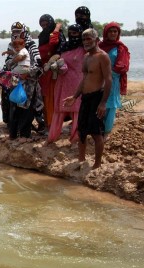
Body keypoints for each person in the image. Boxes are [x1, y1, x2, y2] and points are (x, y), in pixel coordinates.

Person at [63, 29, 112, 169]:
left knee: (97, 133)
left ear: (97, 40)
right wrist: (75, 96)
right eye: (84, 40)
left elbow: (108, 80)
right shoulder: (86, 57)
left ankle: (97, 165)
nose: (86, 42)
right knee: (81, 130)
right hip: (85, 98)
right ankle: (81, 159)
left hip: (97, 97)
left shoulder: (103, 57)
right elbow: (84, 79)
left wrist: (103, 102)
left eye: (89, 39)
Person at [0, 21, 44, 139]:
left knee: (25, 107)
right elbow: (8, 62)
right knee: (13, 105)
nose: (16, 34)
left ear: (24, 32)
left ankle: (24, 135)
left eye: (18, 32)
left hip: (28, 80)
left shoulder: (31, 45)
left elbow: (39, 65)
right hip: (14, 79)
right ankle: (13, 134)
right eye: (14, 32)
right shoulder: (12, 45)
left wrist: (28, 73)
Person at [47, 24, 85, 144]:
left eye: (76, 33)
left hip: (77, 82)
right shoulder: (64, 46)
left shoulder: (84, 48)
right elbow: (57, 57)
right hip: (62, 81)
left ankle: (75, 137)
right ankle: (53, 137)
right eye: (71, 33)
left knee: (77, 110)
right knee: (59, 108)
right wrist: (55, 64)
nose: (73, 35)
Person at [99, 22, 130, 139]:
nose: (112, 33)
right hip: (98, 79)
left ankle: (106, 131)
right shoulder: (99, 46)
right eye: (110, 31)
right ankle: (98, 129)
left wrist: (108, 72)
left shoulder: (121, 47)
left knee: (110, 105)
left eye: (115, 31)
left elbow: (123, 66)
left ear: (118, 33)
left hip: (113, 80)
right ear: (106, 33)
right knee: (99, 103)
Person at [38, 14, 66, 129]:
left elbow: (54, 43)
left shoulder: (56, 34)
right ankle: (46, 123)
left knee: (50, 98)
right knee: (43, 97)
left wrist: (56, 28)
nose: (44, 26)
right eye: (42, 24)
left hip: (51, 71)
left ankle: (51, 125)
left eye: (46, 24)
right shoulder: (42, 36)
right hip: (42, 71)